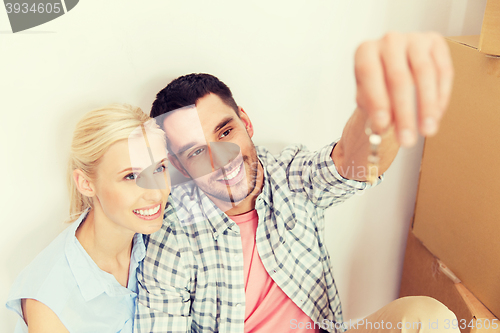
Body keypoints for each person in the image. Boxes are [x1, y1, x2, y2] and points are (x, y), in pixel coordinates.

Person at [134, 32, 458, 333]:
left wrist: (379, 108)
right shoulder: (172, 234)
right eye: (197, 152)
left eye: (225, 131)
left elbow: (350, 164)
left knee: (428, 317)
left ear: (245, 122)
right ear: (177, 164)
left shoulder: (286, 175)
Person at [6, 104, 171, 332]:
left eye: (159, 168)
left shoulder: (161, 235)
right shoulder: (51, 301)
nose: (155, 192)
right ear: (86, 183)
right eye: (131, 176)